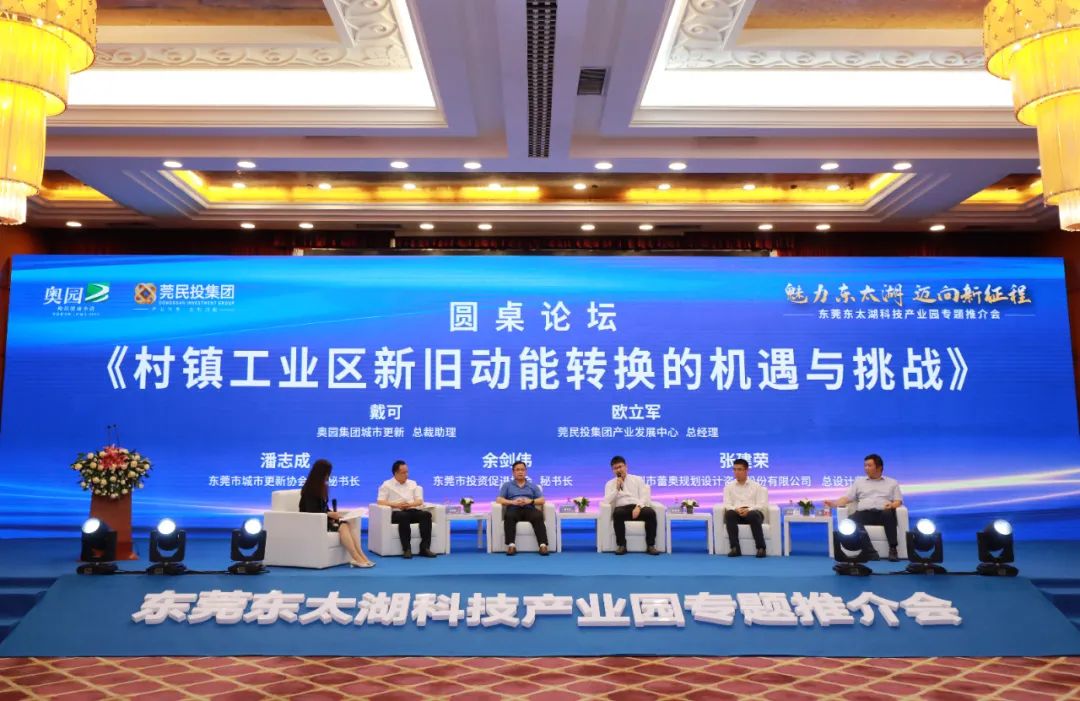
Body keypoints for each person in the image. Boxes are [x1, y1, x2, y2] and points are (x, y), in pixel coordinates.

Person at [824, 453, 904, 562]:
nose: (866, 468)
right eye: (865, 465)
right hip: (865, 513)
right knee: (852, 519)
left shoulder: (892, 482)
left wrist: (892, 505)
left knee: (888, 513)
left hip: (884, 513)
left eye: (869, 465)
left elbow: (898, 501)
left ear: (879, 467)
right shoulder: (859, 481)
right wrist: (834, 504)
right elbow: (847, 498)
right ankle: (871, 552)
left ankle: (893, 549)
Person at [298, 458, 374, 568]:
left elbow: (324, 508)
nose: (328, 476)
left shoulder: (321, 488)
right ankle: (355, 557)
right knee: (343, 526)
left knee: (348, 524)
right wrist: (329, 515)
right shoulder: (310, 490)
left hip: (322, 520)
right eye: (327, 473)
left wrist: (333, 514)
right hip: (313, 523)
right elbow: (312, 511)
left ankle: (361, 555)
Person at [377, 460, 437, 559]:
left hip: (411, 510)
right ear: (396, 473)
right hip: (397, 512)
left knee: (426, 515)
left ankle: (425, 548)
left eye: (407, 472)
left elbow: (419, 501)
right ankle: (407, 549)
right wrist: (396, 505)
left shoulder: (413, 483)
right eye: (403, 473)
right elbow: (380, 501)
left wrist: (409, 505)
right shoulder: (386, 485)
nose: (406, 475)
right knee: (403, 516)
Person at [603, 455, 659, 555]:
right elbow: (606, 501)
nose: (618, 470)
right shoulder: (609, 484)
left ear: (626, 466)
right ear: (612, 470)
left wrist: (638, 507)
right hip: (622, 509)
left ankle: (651, 545)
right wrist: (616, 489)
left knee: (650, 513)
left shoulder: (637, 479)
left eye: (620, 466)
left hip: (637, 507)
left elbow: (644, 496)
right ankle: (621, 545)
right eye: (615, 468)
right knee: (617, 514)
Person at [496, 461, 549, 556]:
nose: (520, 472)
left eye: (522, 470)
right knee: (509, 515)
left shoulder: (533, 486)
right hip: (513, 508)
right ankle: (511, 545)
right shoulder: (507, 485)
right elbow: (499, 499)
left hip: (529, 508)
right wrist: (512, 502)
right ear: (513, 472)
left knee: (538, 515)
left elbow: (542, 500)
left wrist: (530, 501)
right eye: (517, 470)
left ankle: (543, 545)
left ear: (526, 471)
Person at [723, 458, 769, 558]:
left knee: (752, 514)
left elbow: (761, 504)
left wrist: (749, 510)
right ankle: (735, 548)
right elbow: (727, 504)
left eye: (739, 469)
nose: (736, 472)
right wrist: (736, 509)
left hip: (754, 513)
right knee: (729, 514)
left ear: (747, 470)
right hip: (737, 513)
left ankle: (761, 548)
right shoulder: (728, 487)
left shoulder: (756, 486)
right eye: (734, 469)